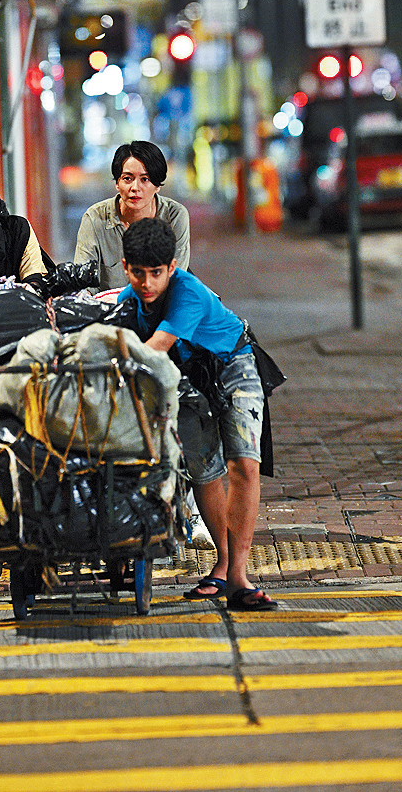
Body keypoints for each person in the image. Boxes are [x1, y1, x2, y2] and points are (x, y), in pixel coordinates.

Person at [118, 216, 278, 611]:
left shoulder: (186, 292)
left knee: (243, 463)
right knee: (204, 472)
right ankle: (222, 567)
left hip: (232, 366)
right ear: (126, 268)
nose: (147, 283)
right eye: (138, 273)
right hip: (187, 381)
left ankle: (239, 577)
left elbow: (156, 345)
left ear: (172, 268)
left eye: (156, 273)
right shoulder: (128, 298)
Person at [74, 140, 190, 291]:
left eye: (145, 179)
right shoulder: (95, 218)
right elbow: (83, 285)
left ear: (158, 185)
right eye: (127, 178)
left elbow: (175, 280)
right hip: (108, 310)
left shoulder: (174, 216)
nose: (135, 188)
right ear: (117, 183)